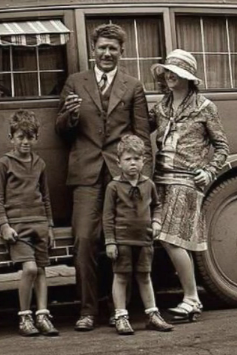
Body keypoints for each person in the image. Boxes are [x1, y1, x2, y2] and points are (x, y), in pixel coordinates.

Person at [56, 23, 152, 331]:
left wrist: (143, 180)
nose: (107, 53)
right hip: (85, 174)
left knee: (122, 243)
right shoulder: (74, 82)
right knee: (84, 241)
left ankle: (119, 310)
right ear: (92, 51)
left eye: (113, 48)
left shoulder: (133, 86)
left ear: (121, 52)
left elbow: (141, 134)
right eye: (102, 48)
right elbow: (61, 131)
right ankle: (87, 310)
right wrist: (70, 115)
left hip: (123, 178)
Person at [149, 49, 229, 321]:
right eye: (168, 72)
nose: (170, 76)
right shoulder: (161, 107)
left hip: (186, 180)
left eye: (176, 73)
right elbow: (138, 127)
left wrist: (209, 171)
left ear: (188, 78)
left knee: (172, 240)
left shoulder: (205, 107)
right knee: (163, 238)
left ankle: (192, 299)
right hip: (161, 179)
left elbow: (222, 147)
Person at [0, 110, 59, 337]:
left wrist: (49, 226)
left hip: (39, 223)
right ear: (11, 138)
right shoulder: (5, 163)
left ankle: (42, 314)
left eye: (30, 137)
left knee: (41, 270)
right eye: (20, 137)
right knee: (29, 268)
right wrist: (4, 225)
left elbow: (46, 196)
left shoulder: (40, 163)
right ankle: (24, 317)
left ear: (36, 138)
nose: (25, 142)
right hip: (17, 227)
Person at [103, 134, 173, 335]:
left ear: (143, 161)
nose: (132, 163)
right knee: (121, 276)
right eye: (128, 159)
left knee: (144, 276)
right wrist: (110, 241)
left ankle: (152, 314)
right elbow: (107, 216)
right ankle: (121, 316)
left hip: (144, 239)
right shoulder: (114, 187)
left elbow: (157, 206)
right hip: (123, 239)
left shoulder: (148, 184)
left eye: (137, 159)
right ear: (119, 162)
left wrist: (156, 221)